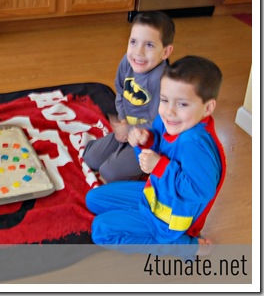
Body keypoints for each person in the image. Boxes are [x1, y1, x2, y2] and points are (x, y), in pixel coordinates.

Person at [85, 55, 226, 256]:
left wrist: (159, 166)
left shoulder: (195, 143)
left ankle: (184, 246)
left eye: (182, 104)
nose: (169, 111)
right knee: (93, 199)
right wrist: (145, 140)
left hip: (170, 217)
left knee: (100, 231)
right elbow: (155, 150)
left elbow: (199, 191)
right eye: (165, 100)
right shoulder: (168, 120)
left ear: (208, 108)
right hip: (155, 193)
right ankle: (139, 217)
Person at [82, 11, 175, 183]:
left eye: (149, 45)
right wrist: (123, 121)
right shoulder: (127, 61)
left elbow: (159, 123)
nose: (138, 52)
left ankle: (143, 171)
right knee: (90, 157)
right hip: (130, 128)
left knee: (108, 173)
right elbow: (120, 90)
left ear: (165, 52)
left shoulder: (163, 82)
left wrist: (131, 130)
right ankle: (119, 150)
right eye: (133, 42)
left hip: (150, 141)